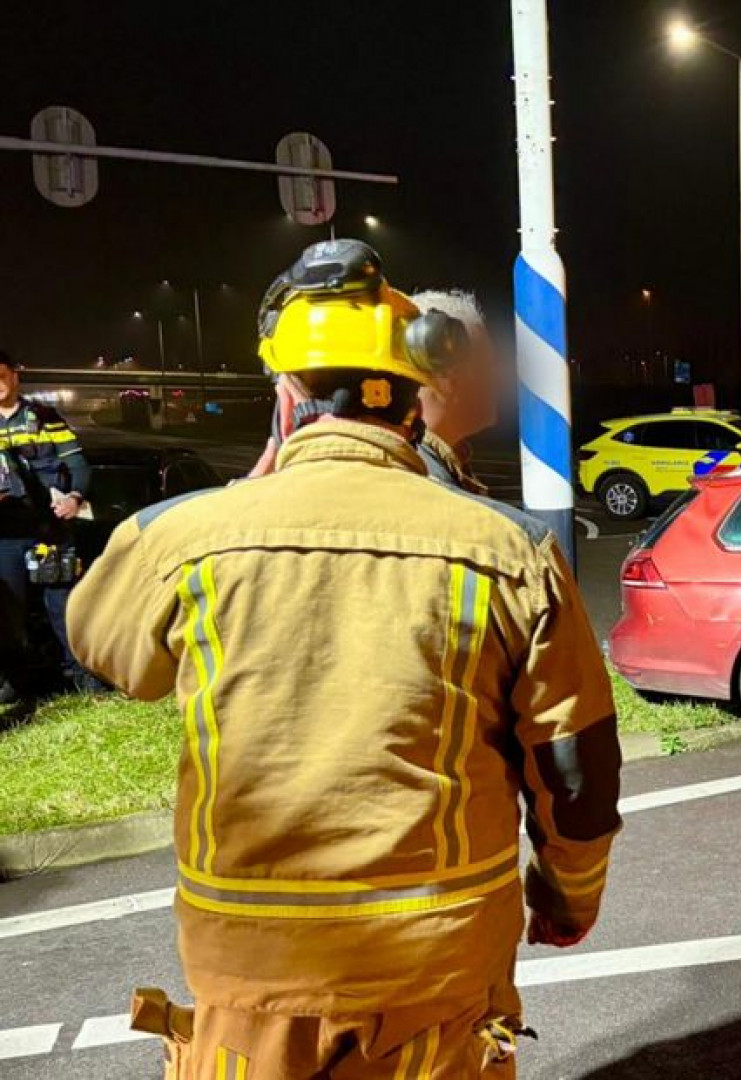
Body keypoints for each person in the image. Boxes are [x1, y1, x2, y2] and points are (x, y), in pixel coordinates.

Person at [68, 240, 621, 1078]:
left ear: (285, 393)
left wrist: (243, 489)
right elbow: (576, 769)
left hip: (251, 966)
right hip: (437, 963)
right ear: (413, 395)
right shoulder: (512, 550)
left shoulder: (179, 539)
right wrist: (566, 898)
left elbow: (110, 652)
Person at [0, 350, 99, 699]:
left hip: (49, 528)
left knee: (64, 605)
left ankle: (83, 674)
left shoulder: (44, 417)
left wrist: (74, 497)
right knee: (8, 612)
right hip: (6, 532)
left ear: (15, 375)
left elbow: (79, 465)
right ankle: (15, 681)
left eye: (1, 376)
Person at [412, 289, 499, 495]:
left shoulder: (446, 461)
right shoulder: (419, 479)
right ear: (448, 374)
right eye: (487, 366)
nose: (499, 379)